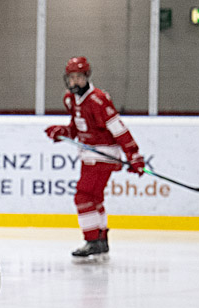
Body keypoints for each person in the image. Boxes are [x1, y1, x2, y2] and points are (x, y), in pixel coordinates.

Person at [44, 56, 144, 262]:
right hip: (89, 156)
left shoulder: (98, 100)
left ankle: (92, 240)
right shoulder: (70, 99)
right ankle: (100, 239)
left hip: (103, 156)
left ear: (87, 76)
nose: (74, 81)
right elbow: (76, 128)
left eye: (79, 77)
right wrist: (62, 132)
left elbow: (118, 129)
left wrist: (133, 155)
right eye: (71, 77)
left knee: (83, 196)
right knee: (94, 198)